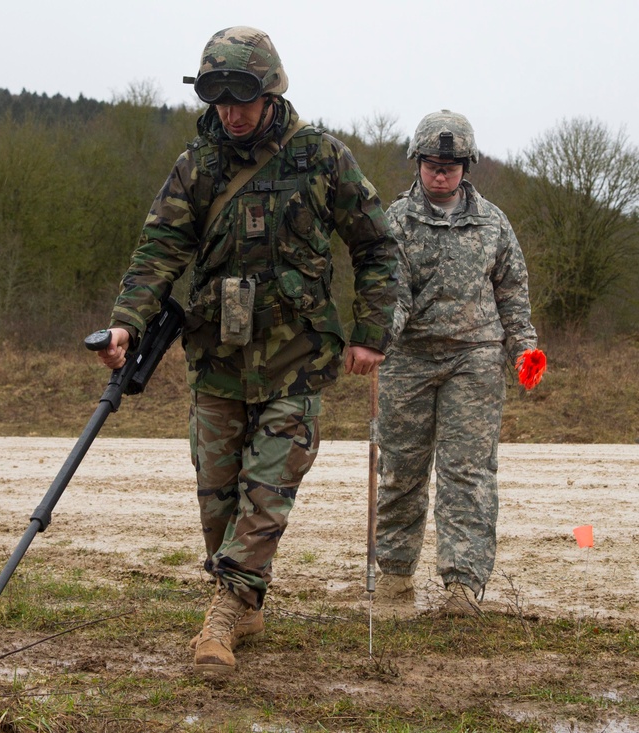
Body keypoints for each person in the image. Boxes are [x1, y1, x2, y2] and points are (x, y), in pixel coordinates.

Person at [95, 26, 398, 674]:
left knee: (267, 490)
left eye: (243, 98)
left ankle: (225, 616)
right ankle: (246, 596)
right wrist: (126, 322)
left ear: (270, 92)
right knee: (218, 499)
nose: (231, 112)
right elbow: (158, 253)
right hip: (218, 361)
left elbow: (376, 244)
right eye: (218, 99)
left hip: (296, 363)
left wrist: (373, 331)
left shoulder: (321, 157)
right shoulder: (197, 166)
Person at [374, 110, 538, 616]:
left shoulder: (493, 223)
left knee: (467, 471)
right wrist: (377, 335)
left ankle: (462, 587)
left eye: (450, 164)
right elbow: (390, 293)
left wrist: (523, 347)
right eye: (430, 163)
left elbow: (512, 291)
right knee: (401, 469)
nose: (439, 172)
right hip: (409, 361)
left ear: (467, 166)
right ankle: (395, 579)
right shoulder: (396, 221)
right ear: (417, 163)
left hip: (476, 359)